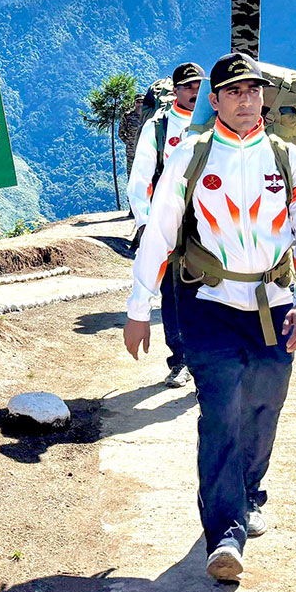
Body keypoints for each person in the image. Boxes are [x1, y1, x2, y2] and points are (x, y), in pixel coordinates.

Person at [123, 52, 296, 583]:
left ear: (262, 97)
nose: (245, 99)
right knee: (219, 411)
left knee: (264, 405)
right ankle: (225, 534)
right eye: (233, 91)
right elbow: (162, 230)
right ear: (213, 101)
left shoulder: (289, 159)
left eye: (252, 90)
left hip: (274, 303)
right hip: (207, 304)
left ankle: (249, 490)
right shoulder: (191, 156)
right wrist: (139, 308)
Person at [125, 62, 205, 388]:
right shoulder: (159, 127)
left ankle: (212, 359)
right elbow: (140, 178)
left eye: (199, 84)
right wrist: (146, 221)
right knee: (173, 295)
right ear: (176, 90)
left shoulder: (216, 123)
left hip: (209, 223)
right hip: (168, 222)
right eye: (187, 86)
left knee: (213, 290)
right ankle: (181, 360)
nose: (194, 91)